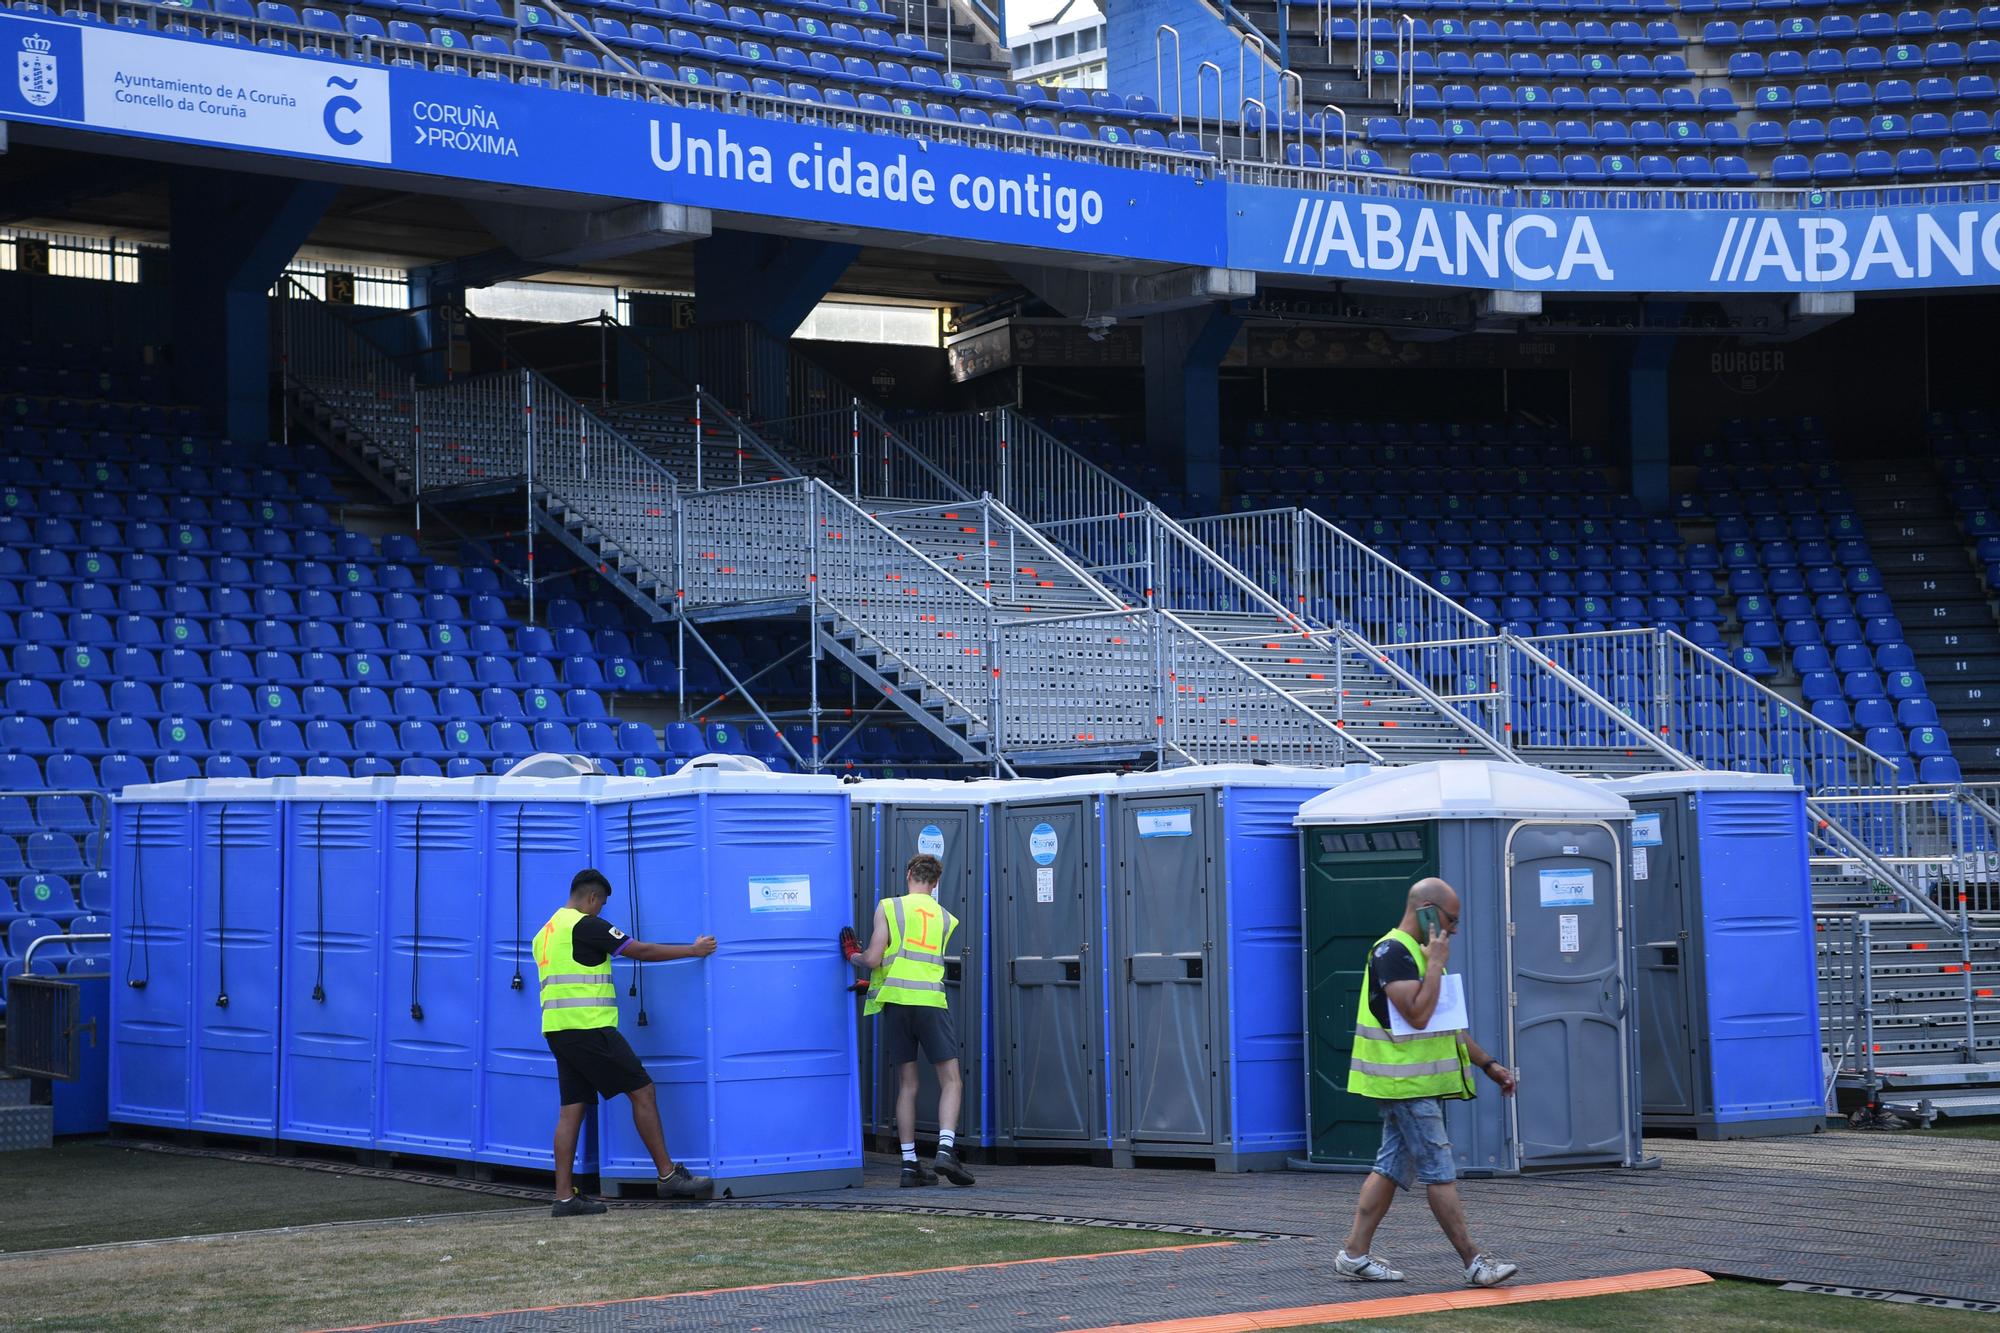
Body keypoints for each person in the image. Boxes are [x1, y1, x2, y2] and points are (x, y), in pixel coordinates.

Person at [1334, 876, 1520, 1288]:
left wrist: (1489, 1065)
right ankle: (1474, 1262)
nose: (1454, 929)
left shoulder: (1417, 955)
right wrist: (1435, 963)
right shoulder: (1394, 953)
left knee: (1389, 1168)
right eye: (1452, 919)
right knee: (1439, 1170)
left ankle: (1354, 1254)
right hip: (1406, 1086)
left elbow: (1444, 1024)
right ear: (1427, 912)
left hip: (1413, 1085)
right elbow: (1418, 1015)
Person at [535, 867, 718, 1216]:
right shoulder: (586, 925)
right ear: (592, 897)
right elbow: (641, 950)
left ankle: (564, 1198)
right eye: (601, 903)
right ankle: (668, 1176)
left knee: (572, 1110)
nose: (601, 910)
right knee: (642, 1091)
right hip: (590, 1027)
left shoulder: (545, 932)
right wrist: (693, 950)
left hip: (558, 1031)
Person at [842, 853, 975, 1189]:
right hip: (930, 1002)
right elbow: (918, 960)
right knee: (951, 1080)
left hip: (897, 1004)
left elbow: (875, 958)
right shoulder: (946, 918)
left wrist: (853, 955)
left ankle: (909, 1164)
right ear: (936, 882)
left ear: (909, 873)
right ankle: (945, 1150)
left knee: (908, 1084)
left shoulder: (890, 906)